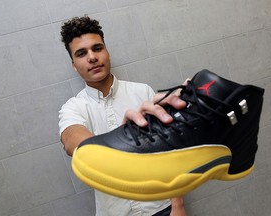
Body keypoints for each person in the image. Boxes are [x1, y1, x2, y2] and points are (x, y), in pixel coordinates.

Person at [58, 16, 187, 216]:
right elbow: (71, 141)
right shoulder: (73, 107)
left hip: (163, 208)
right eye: (82, 53)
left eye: (97, 48)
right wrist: (126, 137)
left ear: (107, 51)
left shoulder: (142, 93)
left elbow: (170, 153)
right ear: (74, 64)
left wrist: (178, 205)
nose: (92, 57)